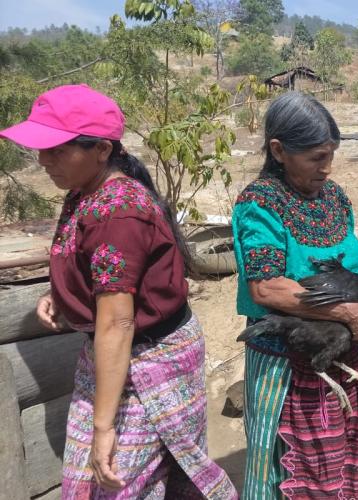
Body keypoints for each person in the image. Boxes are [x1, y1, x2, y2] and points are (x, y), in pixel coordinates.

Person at [0, 84, 237, 499]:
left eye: (57, 149)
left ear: (103, 150)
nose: (42, 160)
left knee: (113, 483)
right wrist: (63, 294)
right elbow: (93, 269)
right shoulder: (83, 194)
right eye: (41, 148)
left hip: (147, 356)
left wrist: (104, 427)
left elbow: (118, 321)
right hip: (113, 354)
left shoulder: (117, 211)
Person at [232, 91, 358, 499]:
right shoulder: (260, 204)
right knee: (289, 472)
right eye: (315, 158)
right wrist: (348, 313)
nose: (326, 168)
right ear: (279, 150)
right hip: (287, 361)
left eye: (330, 156)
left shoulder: (335, 198)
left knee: (342, 467)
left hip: (341, 355)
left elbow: (349, 266)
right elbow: (266, 286)